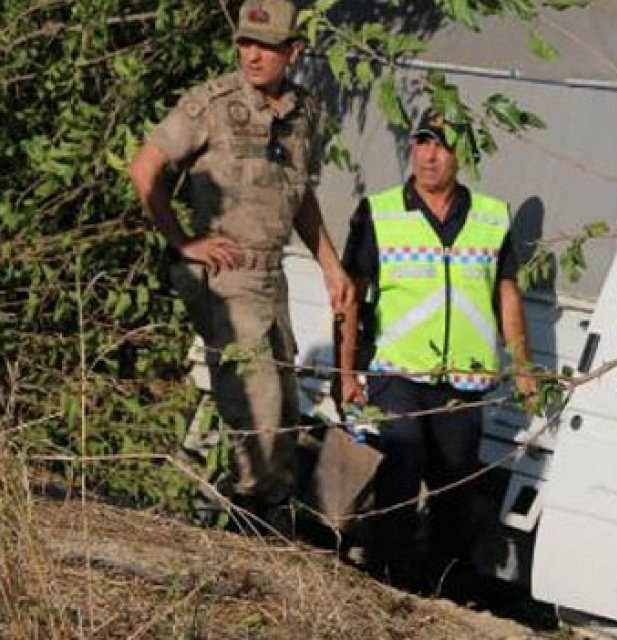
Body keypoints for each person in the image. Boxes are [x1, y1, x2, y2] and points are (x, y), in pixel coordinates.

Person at [129, 0, 354, 526]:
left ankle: (252, 519)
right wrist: (183, 241)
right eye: (245, 44)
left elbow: (299, 196)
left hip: (271, 275)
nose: (252, 55)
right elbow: (144, 169)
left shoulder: (303, 112)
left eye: (266, 46)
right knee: (257, 411)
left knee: (285, 410)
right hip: (225, 273)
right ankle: (245, 518)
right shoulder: (211, 103)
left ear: (293, 51)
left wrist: (330, 265)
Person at [335, 110, 536, 590]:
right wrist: (345, 373)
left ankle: (437, 589)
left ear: (460, 154)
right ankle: (389, 582)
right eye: (421, 142)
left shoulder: (490, 216)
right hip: (397, 372)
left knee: (455, 487)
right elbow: (350, 297)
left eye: (441, 145)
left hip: (463, 379)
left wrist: (523, 365)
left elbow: (507, 293)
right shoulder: (380, 211)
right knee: (401, 471)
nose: (428, 155)